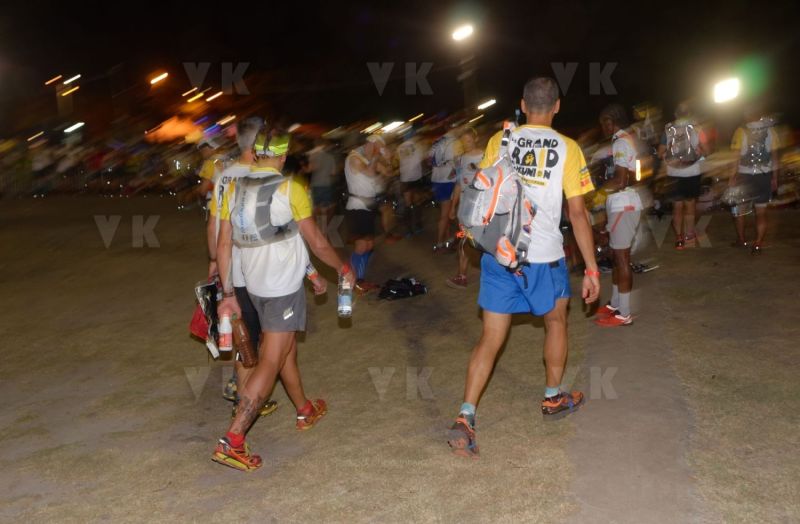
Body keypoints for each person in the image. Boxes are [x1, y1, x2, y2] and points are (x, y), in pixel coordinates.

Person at [447, 77, 600, 458]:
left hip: (501, 254)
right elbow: (577, 213)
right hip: (545, 255)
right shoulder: (568, 148)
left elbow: (483, 193)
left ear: (522, 103)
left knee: (490, 338)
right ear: (557, 106)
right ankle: (552, 397)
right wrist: (593, 268)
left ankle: (466, 415)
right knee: (556, 322)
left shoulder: (501, 140)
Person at [211, 132, 355, 472]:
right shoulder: (291, 188)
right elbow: (317, 241)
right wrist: (341, 268)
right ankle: (233, 440)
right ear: (283, 155)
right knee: (272, 359)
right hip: (281, 288)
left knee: (286, 347)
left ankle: (304, 408)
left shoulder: (235, 188)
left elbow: (224, 244)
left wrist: (230, 294)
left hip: (254, 286)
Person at [208, 117, 277, 417]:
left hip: (230, 268)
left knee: (243, 335)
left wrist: (214, 259)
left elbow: (212, 222)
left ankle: (242, 390)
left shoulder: (223, 175)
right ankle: (248, 400)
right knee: (260, 338)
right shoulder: (259, 176)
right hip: (254, 268)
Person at [594, 104, 643, 327]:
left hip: (625, 206)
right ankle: (615, 304)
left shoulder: (622, 142)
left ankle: (624, 314)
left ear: (611, 122)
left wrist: (596, 193)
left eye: (604, 122)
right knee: (616, 256)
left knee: (622, 259)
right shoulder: (621, 140)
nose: (602, 127)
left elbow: (622, 181)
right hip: (621, 205)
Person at [729, 108, 780, 254]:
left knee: (740, 211)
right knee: (761, 212)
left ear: (747, 115)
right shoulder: (771, 131)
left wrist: (732, 177)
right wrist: (775, 177)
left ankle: (742, 239)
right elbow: (775, 156)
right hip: (764, 175)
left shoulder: (740, 131)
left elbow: (736, 157)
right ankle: (757, 243)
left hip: (745, 175)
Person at [658, 101, 708, 249]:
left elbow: (661, 152)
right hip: (692, 171)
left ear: (675, 114)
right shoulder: (698, 128)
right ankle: (689, 235)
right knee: (690, 205)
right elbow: (707, 150)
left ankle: (679, 239)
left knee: (677, 206)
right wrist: (700, 152)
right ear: (690, 113)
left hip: (673, 172)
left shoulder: (667, 129)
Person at [344, 135, 391, 292]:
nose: (378, 151)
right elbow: (371, 173)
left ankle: (359, 278)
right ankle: (352, 280)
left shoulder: (365, 159)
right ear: (370, 144)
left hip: (368, 206)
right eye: (377, 147)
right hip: (357, 206)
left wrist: (387, 160)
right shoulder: (354, 158)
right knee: (362, 245)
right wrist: (378, 157)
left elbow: (386, 172)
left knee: (369, 245)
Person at [447, 127, 484, 289]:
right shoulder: (460, 160)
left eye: (468, 140)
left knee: (481, 242)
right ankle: (462, 276)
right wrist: (452, 206)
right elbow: (458, 184)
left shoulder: (486, 156)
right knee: (465, 240)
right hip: (465, 206)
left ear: (475, 139)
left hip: (481, 204)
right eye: (463, 142)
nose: (466, 144)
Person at [429, 128, 462, 252]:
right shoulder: (456, 142)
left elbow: (429, 160)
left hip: (436, 180)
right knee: (447, 213)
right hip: (449, 181)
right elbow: (458, 163)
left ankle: (447, 238)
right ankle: (439, 243)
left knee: (444, 212)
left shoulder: (437, 142)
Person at [396, 132, 427, 236]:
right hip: (416, 178)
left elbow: (398, 161)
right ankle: (418, 225)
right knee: (417, 202)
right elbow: (422, 160)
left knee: (407, 204)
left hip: (405, 179)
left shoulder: (399, 148)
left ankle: (408, 230)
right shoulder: (418, 146)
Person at [307, 138, 338, 226]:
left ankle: (315, 227)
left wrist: (306, 169)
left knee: (315, 207)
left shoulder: (313, 155)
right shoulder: (330, 157)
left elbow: (312, 168)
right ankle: (324, 229)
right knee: (324, 208)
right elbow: (333, 172)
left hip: (316, 184)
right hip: (327, 184)